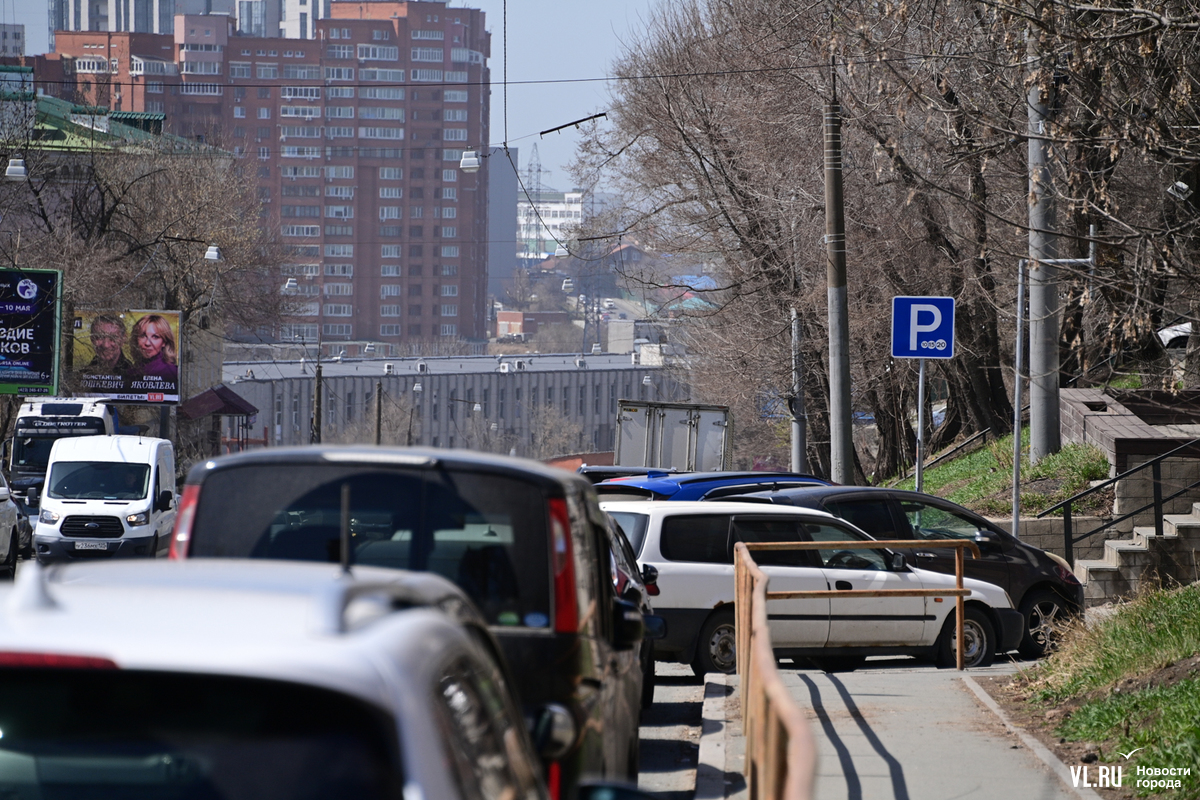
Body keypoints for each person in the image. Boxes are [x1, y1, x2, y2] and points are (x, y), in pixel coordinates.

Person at [129, 314, 178, 384]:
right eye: (143, 336)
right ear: (136, 339)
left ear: (164, 342)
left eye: (155, 337)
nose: (147, 343)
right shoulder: (130, 371)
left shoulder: (172, 373)